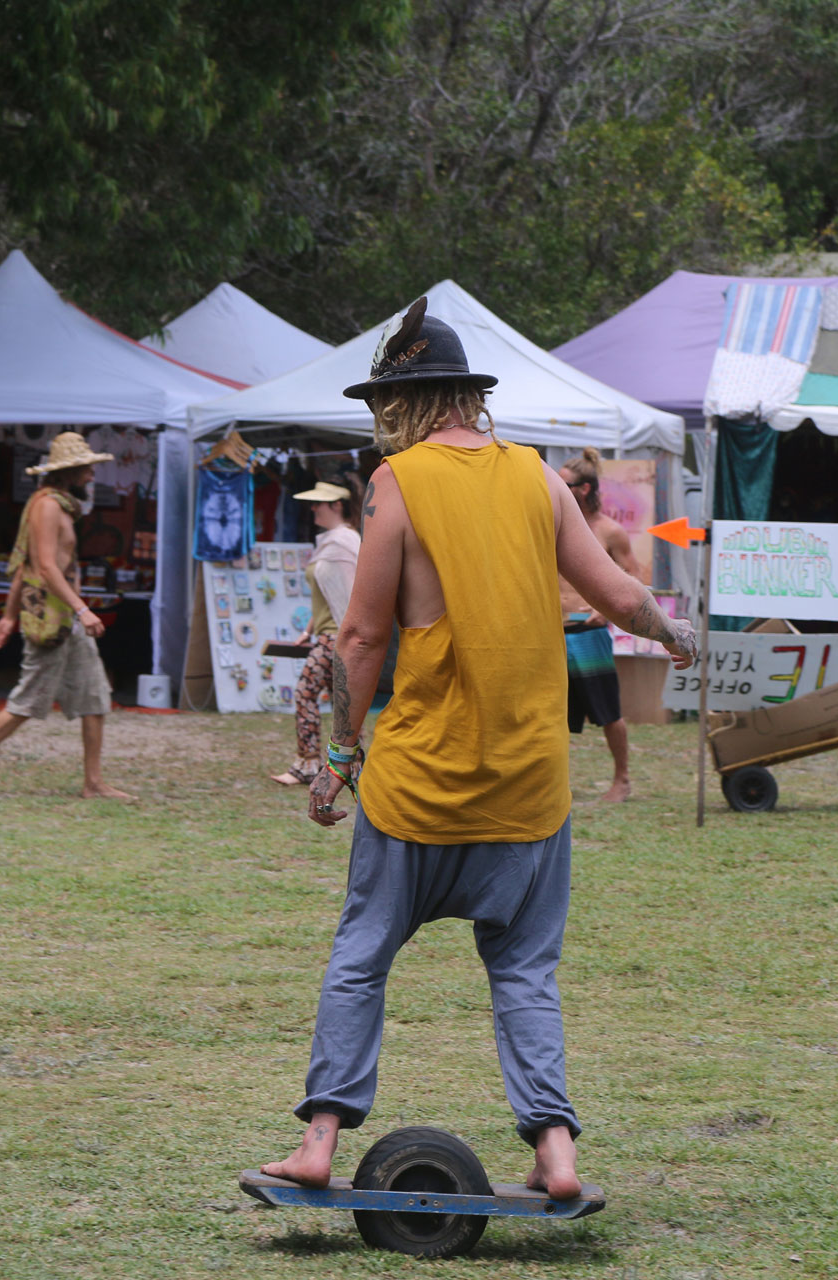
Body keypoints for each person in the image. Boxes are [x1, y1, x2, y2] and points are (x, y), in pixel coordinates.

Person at [259, 298, 698, 1200]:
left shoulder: (397, 483)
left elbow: (361, 638)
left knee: (361, 957)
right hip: (528, 787)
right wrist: (676, 634)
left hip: (419, 787)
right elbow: (620, 596)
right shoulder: (537, 477)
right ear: (468, 396)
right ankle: (557, 1155)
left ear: (403, 404)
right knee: (526, 973)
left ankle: (319, 1143)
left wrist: (340, 755)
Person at [0, 432, 133, 803]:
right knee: (28, 701)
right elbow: (44, 567)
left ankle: (93, 783)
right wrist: (82, 609)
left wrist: (8, 615)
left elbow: (26, 565)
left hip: (66, 616)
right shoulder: (46, 506)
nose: (91, 476)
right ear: (69, 472)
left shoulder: (62, 506)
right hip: (50, 616)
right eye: (86, 469)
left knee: (95, 697)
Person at [556, 447, 642, 802]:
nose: (556, 490)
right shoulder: (554, 523)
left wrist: (605, 610)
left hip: (589, 634)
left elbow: (634, 576)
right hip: (552, 632)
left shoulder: (609, 530)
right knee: (551, 713)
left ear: (585, 489)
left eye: (564, 485)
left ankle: (622, 779)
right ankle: (553, 784)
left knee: (607, 712)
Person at [272, 481, 362, 786]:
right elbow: (328, 596)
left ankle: (308, 765)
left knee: (306, 693)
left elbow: (350, 596)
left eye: (318, 503)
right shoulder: (332, 542)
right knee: (344, 703)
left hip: (336, 636)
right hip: (330, 634)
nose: (312, 509)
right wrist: (307, 630)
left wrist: (346, 638)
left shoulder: (343, 542)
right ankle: (354, 766)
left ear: (336, 505)